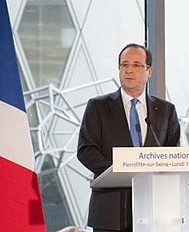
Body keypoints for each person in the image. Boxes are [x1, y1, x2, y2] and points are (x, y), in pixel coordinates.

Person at [77, 43, 180, 231]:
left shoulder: (166, 111)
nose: (129, 70)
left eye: (136, 65)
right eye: (124, 65)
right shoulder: (98, 106)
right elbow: (86, 150)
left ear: (149, 71)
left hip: (155, 210)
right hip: (110, 211)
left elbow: (173, 154)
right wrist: (119, 171)